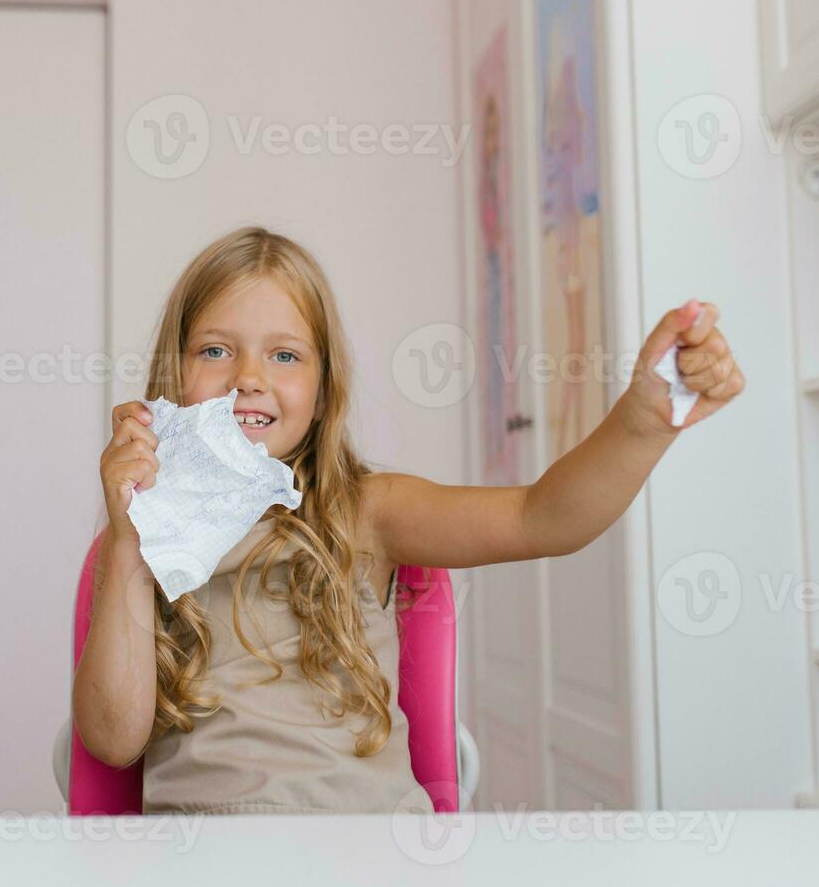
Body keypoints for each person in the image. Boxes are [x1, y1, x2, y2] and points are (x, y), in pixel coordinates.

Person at [72, 226, 745, 816]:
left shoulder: (368, 511)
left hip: (372, 854)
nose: (249, 377)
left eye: (284, 355)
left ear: (323, 387)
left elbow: (541, 518)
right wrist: (132, 541)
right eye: (216, 350)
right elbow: (110, 740)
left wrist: (642, 422)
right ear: (173, 373)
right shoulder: (138, 540)